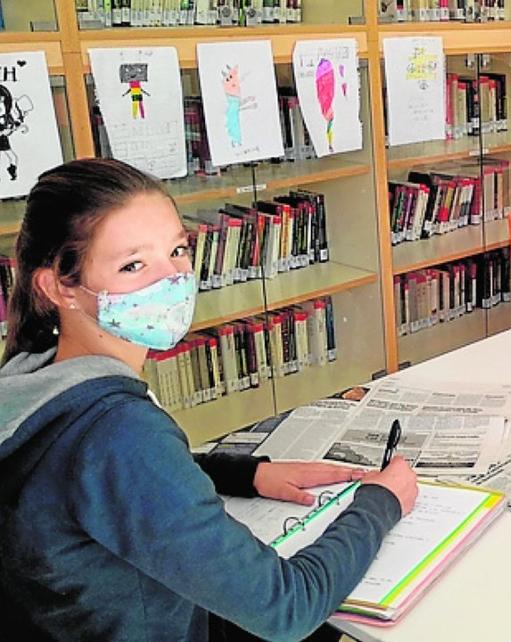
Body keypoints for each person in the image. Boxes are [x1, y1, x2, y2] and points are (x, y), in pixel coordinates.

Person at [0, 159, 421, 642]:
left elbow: (96, 479)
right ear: (59, 287)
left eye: (177, 250)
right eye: (133, 265)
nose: (172, 278)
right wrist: (380, 504)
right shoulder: (120, 431)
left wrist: (247, 474)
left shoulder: (32, 378)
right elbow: (288, 609)